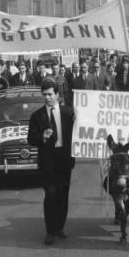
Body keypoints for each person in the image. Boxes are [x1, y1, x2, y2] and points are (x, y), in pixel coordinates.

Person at [27, 79, 76, 245]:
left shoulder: (69, 113)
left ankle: (59, 227)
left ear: (57, 94)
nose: (47, 98)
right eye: (45, 95)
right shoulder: (37, 116)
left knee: (63, 194)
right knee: (50, 194)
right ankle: (49, 231)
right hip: (47, 161)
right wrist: (42, 137)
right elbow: (30, 139)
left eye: (50, 94)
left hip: (64, 160)